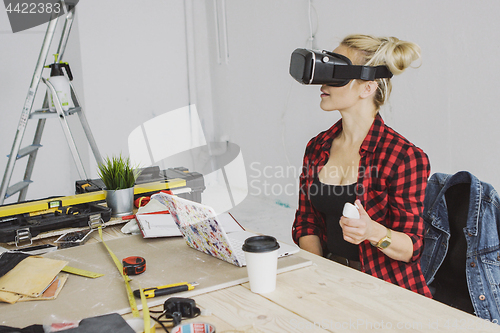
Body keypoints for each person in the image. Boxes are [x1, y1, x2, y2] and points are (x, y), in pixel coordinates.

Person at [291, 34, 432, 297]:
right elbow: (307, 223)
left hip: (384, 290)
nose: (324, 82)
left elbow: (411, 248)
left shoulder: (404, 157)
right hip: (327, 280)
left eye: (337, 74)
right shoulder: (317, 147)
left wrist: (372, 231)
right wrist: (317, 276)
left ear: (367, 88)